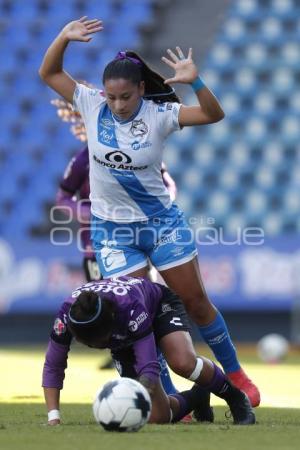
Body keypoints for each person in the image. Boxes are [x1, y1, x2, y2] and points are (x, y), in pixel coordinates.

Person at [39, 16, 260, 406]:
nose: (118, 104)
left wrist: (195, 81)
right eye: (111, 97)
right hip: (112, 230)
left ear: (142, 89)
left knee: (195, 302)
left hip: (161, 224)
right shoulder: (90, 104)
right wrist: (63, 37)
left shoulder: (160, 116)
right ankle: (170, 400)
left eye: (126, 97)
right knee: (136, 312)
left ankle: (236, 375)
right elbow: (49, 72)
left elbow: (213, 114)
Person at [53, 99, 179, 385]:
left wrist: (162, 204)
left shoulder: (141, 149)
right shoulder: (84, 158)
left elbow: (168, 183)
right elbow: (62, 198)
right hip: (99, 245)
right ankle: (134, 375)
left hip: (145, 240)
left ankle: (158, 382)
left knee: (147, 308)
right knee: (111, 309)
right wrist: (91, 213)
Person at [42, 276, 255, 425]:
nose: (94, 348)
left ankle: (236, 398)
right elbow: (53, 364)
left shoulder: (129, 308)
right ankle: (197, 396)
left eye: (97, 343)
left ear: (112, 324)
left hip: (159, 306)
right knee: (157, 417)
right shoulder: (66, 316)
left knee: (182, 362)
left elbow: (149, 365)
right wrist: (54, 417)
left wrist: (141, 390)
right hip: (124, 335)